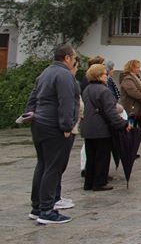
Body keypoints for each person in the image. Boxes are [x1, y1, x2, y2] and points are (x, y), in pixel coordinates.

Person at [24, 44, 80, 224]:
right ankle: (47, 210)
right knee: (53, 167)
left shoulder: (46, 72)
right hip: (54, 126)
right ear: (67, 58)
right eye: (74, 58)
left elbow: (33, 98)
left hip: (40, 123)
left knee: (42, 164)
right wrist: (66, 126)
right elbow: (66, 102)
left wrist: (29, 114)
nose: (75, 61)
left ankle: (37, 206)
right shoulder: (64, 75)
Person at [80, 63, 130, 191]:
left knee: (91, 157)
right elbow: (111, 112)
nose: (106, 76)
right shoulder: (104, 91)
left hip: (88, 127)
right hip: (101, 128)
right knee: (102, 156)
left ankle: (89, 182)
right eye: (104, 74)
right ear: (99, 76)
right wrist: (123, 124)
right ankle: (99, 183)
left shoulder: (87, 89)